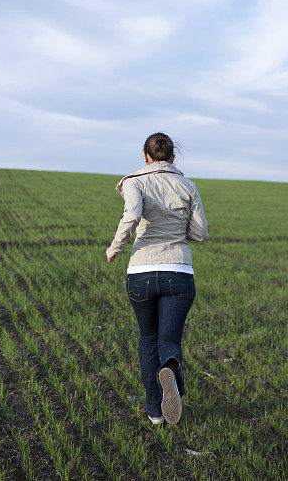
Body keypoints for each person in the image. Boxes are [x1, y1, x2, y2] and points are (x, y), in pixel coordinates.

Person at [106, 132, 208, 426]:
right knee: (169, 340)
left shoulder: (135, 181)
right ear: (173, 158)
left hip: (141, 273)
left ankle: (154, 411)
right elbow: (200, 233)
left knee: (147, 339)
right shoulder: (187, 185)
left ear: (145, 157)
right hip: (179, 273)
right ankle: (171, 369)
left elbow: (133, 213)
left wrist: (115, 248)